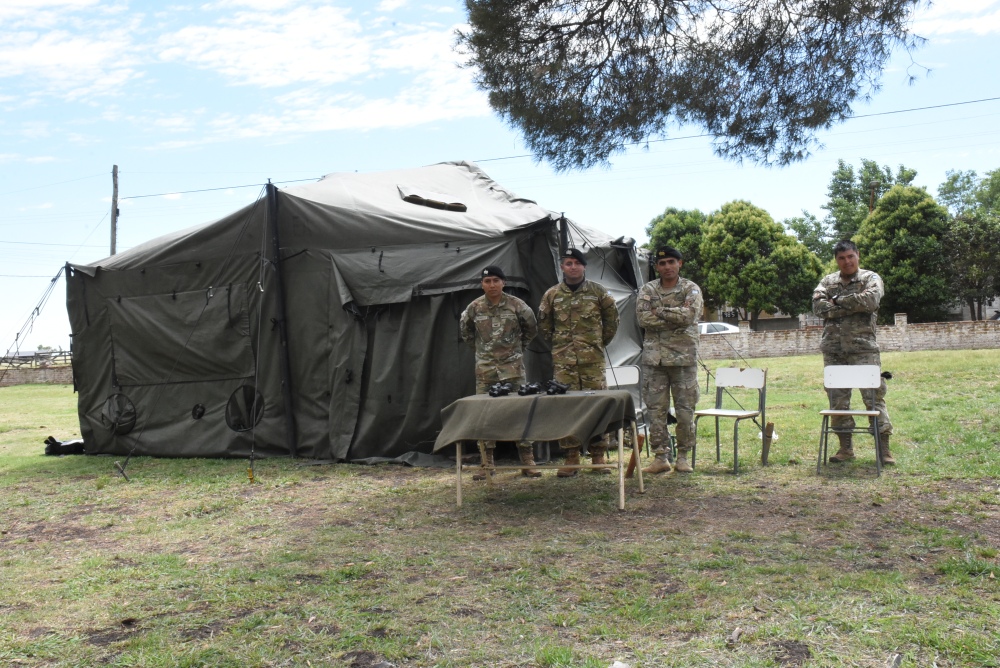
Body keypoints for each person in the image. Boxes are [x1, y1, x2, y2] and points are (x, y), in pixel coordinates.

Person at [537, 248, 620, 477]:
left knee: (597, 406)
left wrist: (596, 343)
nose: (572, 267)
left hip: (592, 360)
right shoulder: (552, 294)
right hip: (564, 362)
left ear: (584, 266)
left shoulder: (598, 292)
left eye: (576, 263)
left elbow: (612, 320)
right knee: (566, 407)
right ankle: (571, 457)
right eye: (567, 263)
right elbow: (545, 326)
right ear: (562, 267)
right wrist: (561, 346)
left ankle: (597, 456)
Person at [812, 240, 895, 465]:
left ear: (857, 255)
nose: (847, 261)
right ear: (836, 260)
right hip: (834, 351)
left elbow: (870, 300)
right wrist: (851, 306)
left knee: (873, 398)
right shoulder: (827, 281)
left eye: (850, 256)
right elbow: (818, 307)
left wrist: (837, 301)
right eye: (841, 258)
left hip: (864, 350)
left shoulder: (871, 278)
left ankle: (884, 451)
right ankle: (845, 449)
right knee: (837, 401)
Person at [460, 265, 542, 478]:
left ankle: (528, 461)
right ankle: (487, 464)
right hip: (486, 370)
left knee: (520, 411)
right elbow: (466, 333)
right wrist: (483, 353)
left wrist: (516, 350)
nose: (492, 285)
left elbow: (531, 329)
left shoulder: (517, 305)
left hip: (513, 369)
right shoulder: (474, 308)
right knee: (484, 415)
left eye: (496, 280)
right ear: (482, 284)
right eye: (487, 281)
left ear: (504, 282)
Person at [635, 247, 704, 474]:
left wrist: (659, 310)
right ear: (656, 266)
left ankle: (683, 457)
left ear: (680, 264)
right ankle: (660, 457)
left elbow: (688, 316)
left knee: (685, 411)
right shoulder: (648, 288)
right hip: (655, 362)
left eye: (671, 262)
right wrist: (673, 314)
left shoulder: (690, 289)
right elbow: (642, 318)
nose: (667, 267)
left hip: (683, 360)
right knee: (656, 412)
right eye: (662, 263)